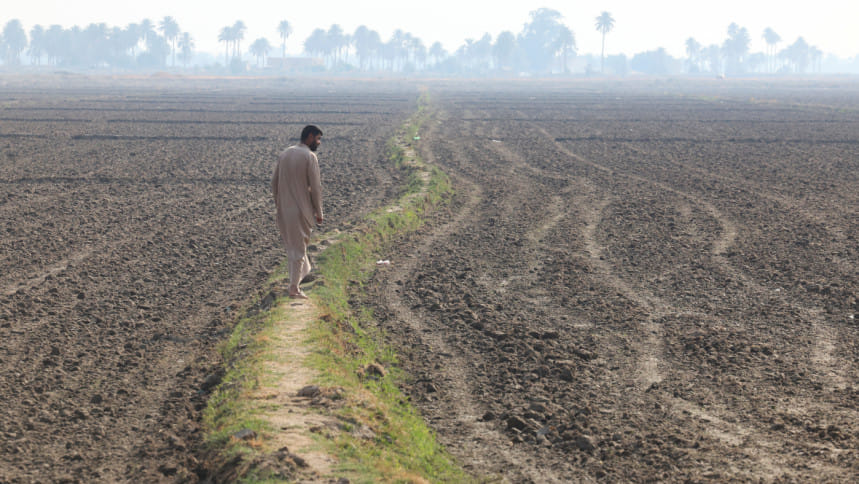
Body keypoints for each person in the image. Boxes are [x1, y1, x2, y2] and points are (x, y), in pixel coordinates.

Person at [271, 125, 324, 299]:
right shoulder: (310, 156)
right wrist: (319, 212)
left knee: (294, 248)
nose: (318, 143)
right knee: (299, 250)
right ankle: (294, 288)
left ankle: (297, 281)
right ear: (309, 137)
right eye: (317, 139)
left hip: (284, 209)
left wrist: (279, 202)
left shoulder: (285, 153)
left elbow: (274, 182)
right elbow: (316, 188)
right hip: (301, 210)